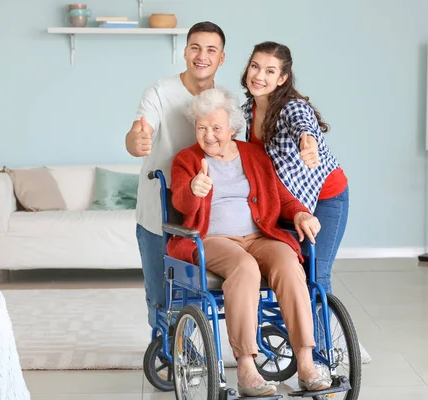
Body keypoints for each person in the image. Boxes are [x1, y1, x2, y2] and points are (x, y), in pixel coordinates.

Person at [168, 87, 332, 396]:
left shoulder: (254, 155)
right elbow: (181, 201)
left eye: (216, 127)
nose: (209, 135)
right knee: (244, 268)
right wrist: (194, 188)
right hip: (213, 239)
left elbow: (280, 197)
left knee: (288, 261)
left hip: (259, 235)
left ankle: (306, 363)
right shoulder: (187, 160)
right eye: (202, 127)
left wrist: (299, 214)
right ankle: (246, 368)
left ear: (232, 127)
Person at [124, 21, 227, 328]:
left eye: (211, 49)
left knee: (197, 294)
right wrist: (136, 141)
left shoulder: (224, 102)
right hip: (160, 213)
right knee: (161, 296)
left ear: (221, 58)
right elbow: (138, 132)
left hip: (204, 216)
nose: (202, 56)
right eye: (195, 47)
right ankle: (165, 352)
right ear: (184, 52)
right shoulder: (159, 92)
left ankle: (191, 353)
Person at [239, 41, 349, 297]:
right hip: (288, 200)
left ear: (282, 78)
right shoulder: (248, 110)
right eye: (255, 66)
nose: (258, 75)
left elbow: (304, 124)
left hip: (326, 196)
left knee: (316, 274)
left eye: (269, 71)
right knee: (289, 271)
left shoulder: (292, 106)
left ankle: (319, 339)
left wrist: (308, 143)